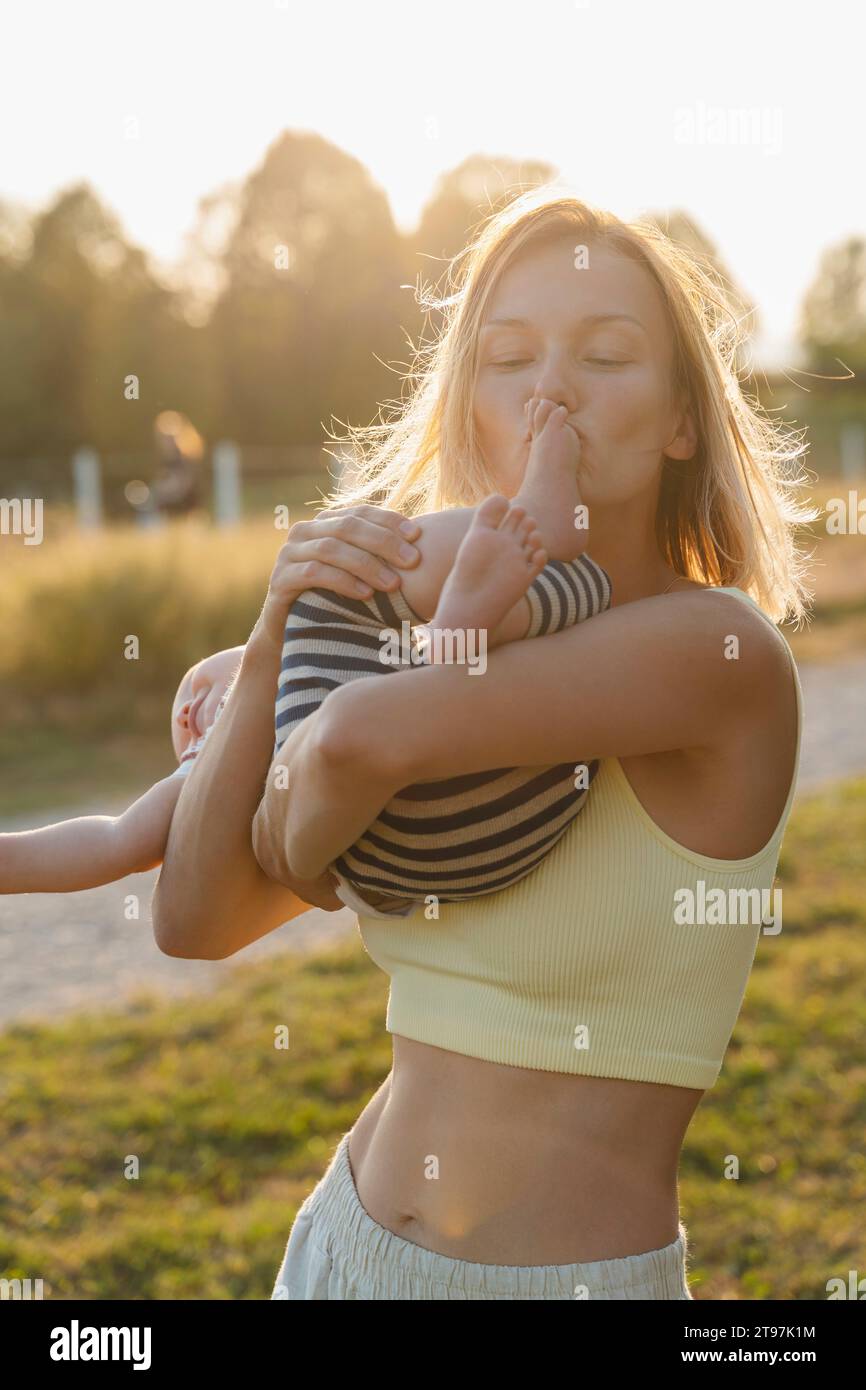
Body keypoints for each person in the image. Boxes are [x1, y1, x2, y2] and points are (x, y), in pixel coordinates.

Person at [153, 188, 815, 1300]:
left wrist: (287, 786)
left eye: (605, 355)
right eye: (509, 358)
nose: (550, 389)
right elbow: (195, 918)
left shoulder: (716, 655)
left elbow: (353, 743)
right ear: (470, 408)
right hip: (336, 1253)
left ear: (678, 420)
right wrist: (272, 635)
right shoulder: (435, 656)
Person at [0, 649, 244, 893]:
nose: (183, 716)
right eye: (191, 746)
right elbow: (116, 843)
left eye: (198, 689)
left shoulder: (267, 652)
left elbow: (118, 841)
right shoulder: (210, 767)